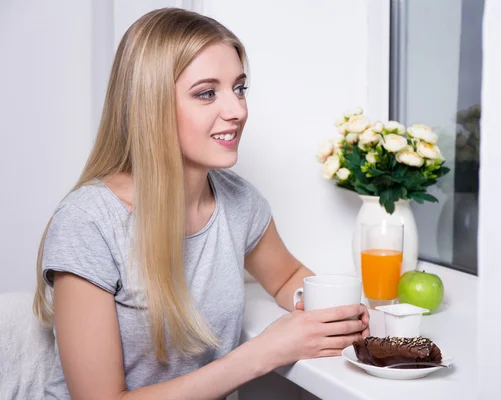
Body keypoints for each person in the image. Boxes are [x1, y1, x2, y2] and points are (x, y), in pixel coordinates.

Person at [32, 7, 369, 400]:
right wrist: (263, 352)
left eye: (239, 88)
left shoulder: (239, 201)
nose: (237, 111)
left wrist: (324, 314)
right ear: (150, 105)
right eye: (207, 93)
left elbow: (286, 276)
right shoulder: (87, 223)